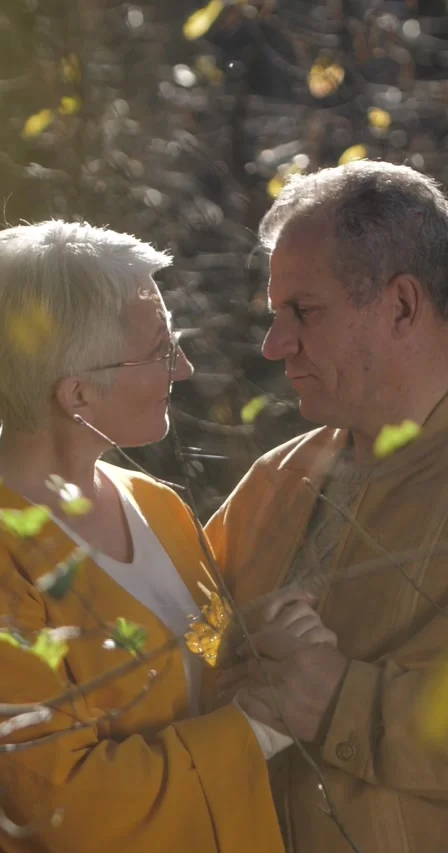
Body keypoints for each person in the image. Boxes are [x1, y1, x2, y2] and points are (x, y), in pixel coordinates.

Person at [0, 220, 336, 852]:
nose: (184, 367)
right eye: (162, 350)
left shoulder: (158, 506)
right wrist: (257, 728)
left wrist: (262, 647)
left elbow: (198, 688)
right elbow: (59, 805)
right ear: (77, 393)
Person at [206, 160, 448, 853]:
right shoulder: (275, 478)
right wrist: (225, 648)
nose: (275, 345)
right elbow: (188, 626)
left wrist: (341, 700)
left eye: (303, 312)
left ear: (402, 305)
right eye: (275, 315)